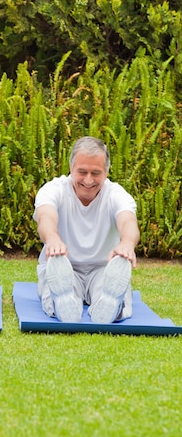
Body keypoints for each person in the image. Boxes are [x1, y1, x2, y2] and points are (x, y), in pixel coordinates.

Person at [34, 136, 140, 324]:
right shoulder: (53, 189)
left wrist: (126, 244)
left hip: (104, 268)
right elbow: (46, 216)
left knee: (108, 291)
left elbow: (128, 220)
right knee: (60, 290)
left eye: (96, 173)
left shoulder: (116, 194)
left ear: (107, 172)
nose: (88, 180)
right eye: (82, 172)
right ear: (71, 168)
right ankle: (64, 304)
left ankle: (111, 306)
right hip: (63, 264)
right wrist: (52, 239)